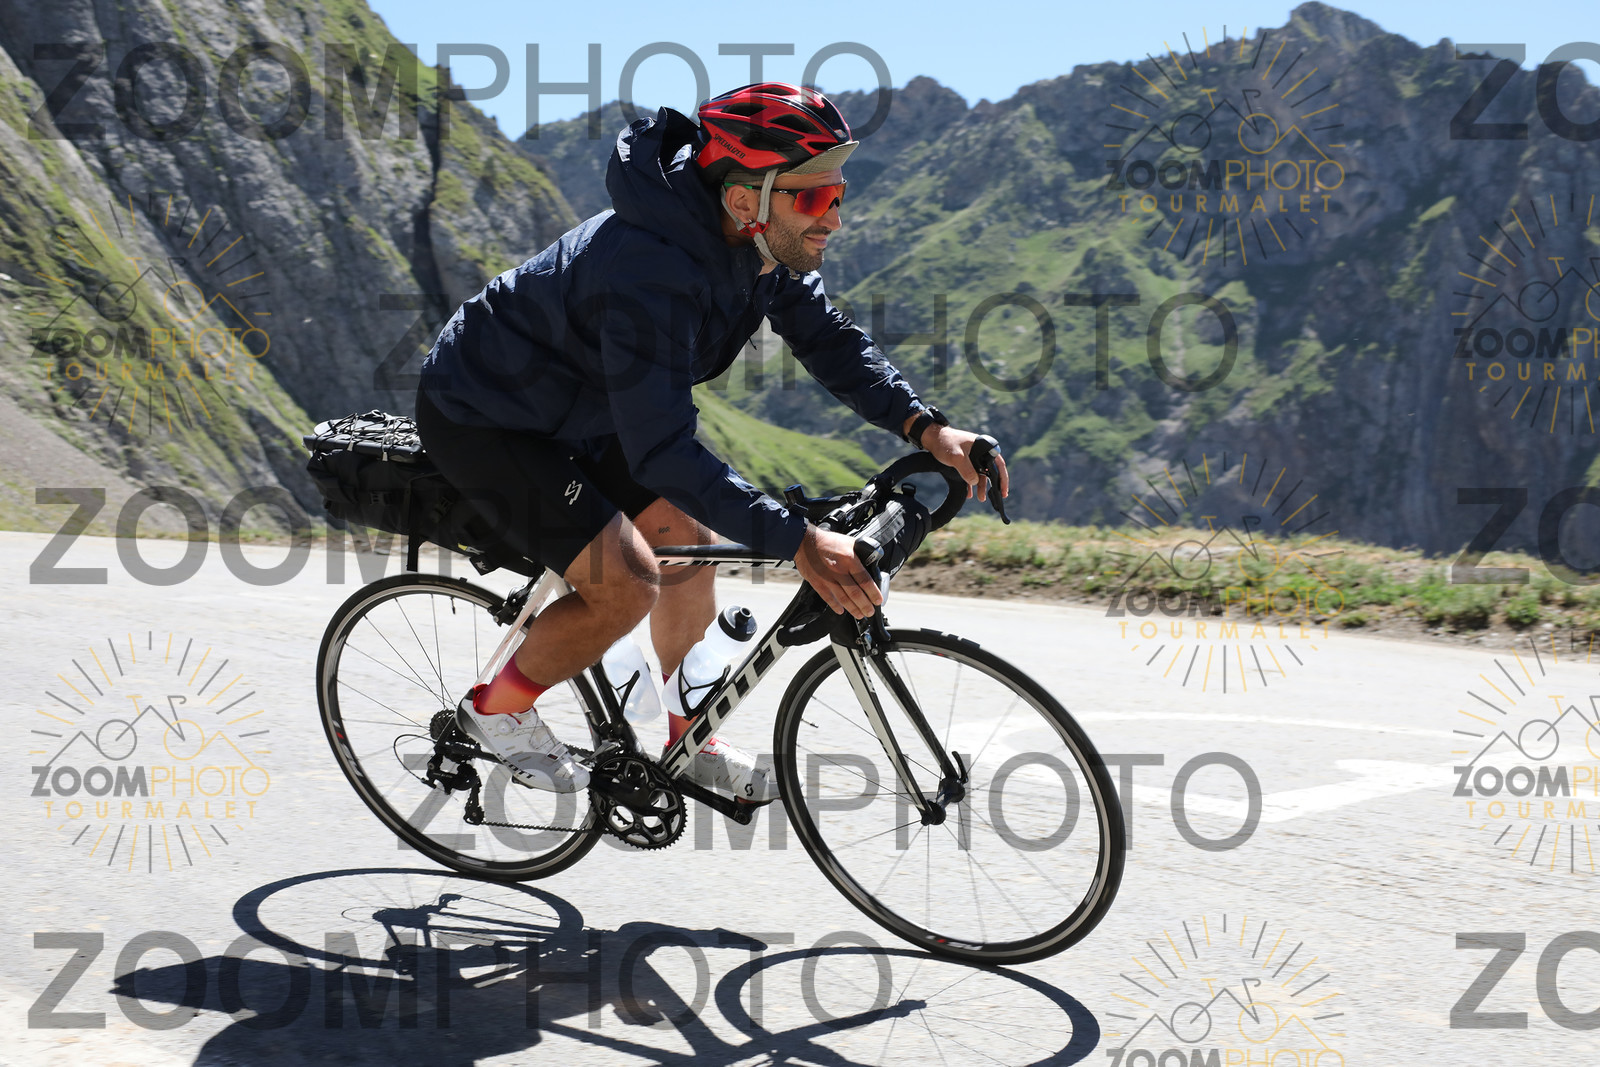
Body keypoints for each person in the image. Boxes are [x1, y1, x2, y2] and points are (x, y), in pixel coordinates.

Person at [416, 82, 1007, 798]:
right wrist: (798, 540)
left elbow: (828, 340)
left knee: (686, 547)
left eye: (839, 194)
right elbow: (662, 450)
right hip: (488, 414)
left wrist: (930, 428)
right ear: (744, 200)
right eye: (815, 198)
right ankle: (496, 710)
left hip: (589, 408)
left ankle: (686, 737)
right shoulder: (648, 271)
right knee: (627, 583)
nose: (835, 218)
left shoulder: (759, 244)